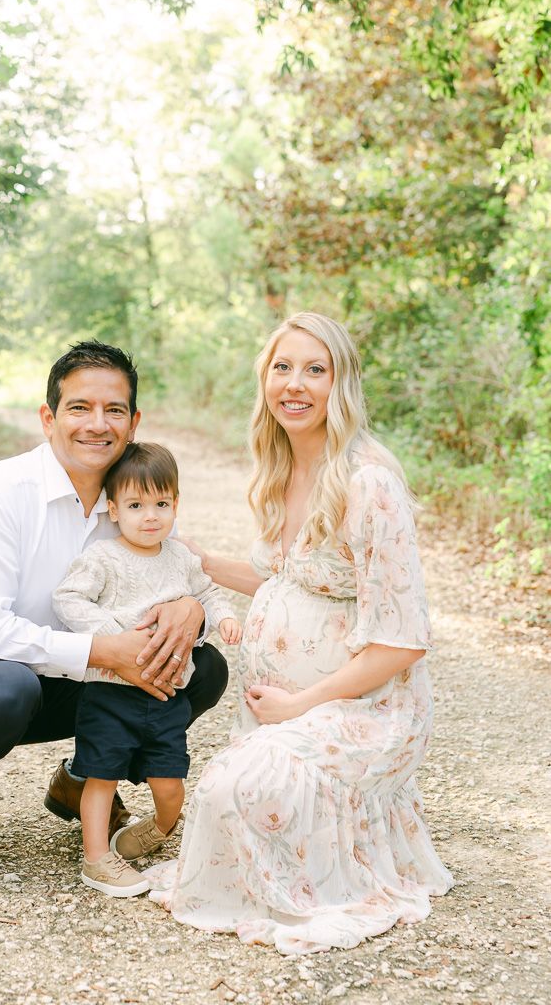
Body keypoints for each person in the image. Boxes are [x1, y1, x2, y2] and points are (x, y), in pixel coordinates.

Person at [145, 312, 453, 953]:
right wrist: (174, 554)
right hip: (288, 711)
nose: (296, 383)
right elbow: (274, 576)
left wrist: (298, 706)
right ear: (265, 379)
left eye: (316, 369)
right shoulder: (282, 466)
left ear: (341, 383)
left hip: (367, 708)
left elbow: (403, 643)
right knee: (229, 794)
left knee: (237, 790)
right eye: (283, 367)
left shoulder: (368, 481)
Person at [0, 340, 229, 890]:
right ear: (49, 417)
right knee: (7, 686)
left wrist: (191, 607)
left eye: (113, 410)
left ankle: (81, 780)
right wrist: (103, 651)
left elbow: (184, 570)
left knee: (202, 666)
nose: (97, 425)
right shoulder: (0, 491)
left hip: (59, 673)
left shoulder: (131, 500)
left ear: (133, 421)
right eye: (79, 408)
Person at [52, 442, 242, 897]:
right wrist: (114, 634)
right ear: (114, 509)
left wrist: (225, 616)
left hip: (165, 694)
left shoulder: (179, 557)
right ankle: (97, 858)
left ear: (176, 504)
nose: (150, 516)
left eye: (161, 504)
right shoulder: (103, 558)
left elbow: (209, 593)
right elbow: (67, 599)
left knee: (170, 778)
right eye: (136, 505)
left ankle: (157, 827)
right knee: (100, 776)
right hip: (111, 691)